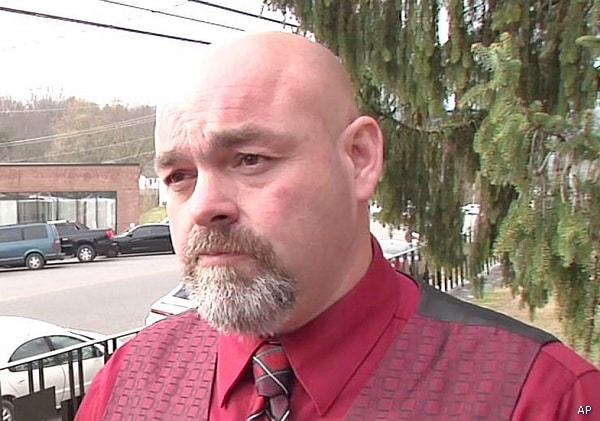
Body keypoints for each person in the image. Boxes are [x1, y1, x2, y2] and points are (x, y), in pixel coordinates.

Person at [75, 31, 600, 421]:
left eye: (250, 159)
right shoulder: (127, 381)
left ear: (360, 159)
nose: (205, 205)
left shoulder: (544, 397)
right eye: (179, 176)